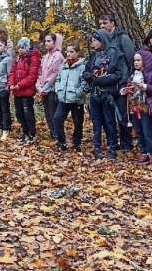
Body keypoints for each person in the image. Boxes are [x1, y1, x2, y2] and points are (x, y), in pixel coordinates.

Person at [83, 31, 126, 161]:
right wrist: (88, 76)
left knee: (109, 122)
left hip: (108, 94)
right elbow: (86, 71)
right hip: (95, 94)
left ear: (102, 40)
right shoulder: (93, 56)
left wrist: (100, 80)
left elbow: (118, 74)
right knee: (96, 122)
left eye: (95, 40)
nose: (92, 43)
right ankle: (97, 148)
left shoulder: (116, 54)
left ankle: (112, 147)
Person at [122, 50, 152, 164]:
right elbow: (128, 85)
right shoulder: (133, 74)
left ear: (145, 61)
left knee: (147, 131)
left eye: (138, 60)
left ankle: (151, 153)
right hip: (135, 106)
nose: (136, 63)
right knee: (139, 130)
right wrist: (127, 90)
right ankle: (144, 152)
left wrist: (146, 87)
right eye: (134, 60)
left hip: (146, 107)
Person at [99, 14, 135, 151]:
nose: (102, 26)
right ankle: (115, 142)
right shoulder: (103, 39)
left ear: (112, 23)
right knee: (111, 115)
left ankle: (127, 144)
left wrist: (127, 80)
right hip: (109, 82)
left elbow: (130, 59)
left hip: (122, 82)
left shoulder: (123, 38)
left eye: (105, 23)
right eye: (101, 24)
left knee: (123, 114)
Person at [53, 43, 86, 152]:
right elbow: (58, 79)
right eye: (67, 51)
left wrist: (77, 94)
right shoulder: (63, 66)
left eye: (72, 52)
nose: (69, 54)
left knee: (78, 122)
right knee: (57, 118)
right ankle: (61, 142)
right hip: (63, 98)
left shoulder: (82, 67)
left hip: (76, 100)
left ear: (77, 53)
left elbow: (84, 83)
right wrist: (58, 90)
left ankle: (77, 143)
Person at [9, 37, 41, 144]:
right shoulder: (19, 58)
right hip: (17, 91)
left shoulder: (33, 58)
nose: (20, 50)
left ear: (27, 47)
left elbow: (32, 76)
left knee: (28, 113)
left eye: (22, 48)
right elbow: (12, 72)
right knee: (19, 113)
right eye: (19, 48)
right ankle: (25, 132)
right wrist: (12, 84)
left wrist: (19, 85)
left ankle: (31, 134)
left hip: (26, 92)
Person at [36, 33, 64, 139]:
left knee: (53, 114)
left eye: (49, 41)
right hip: (44, 89)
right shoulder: (46, 56)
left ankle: (58, 135)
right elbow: (40, 73)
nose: (46, 43)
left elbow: (54, 74)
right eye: (45, 41)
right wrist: (39, 87)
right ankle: (53, 134)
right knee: (47, 113)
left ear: (55, 42)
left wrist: (45, 88)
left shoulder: (58, 56)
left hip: (52, 90)